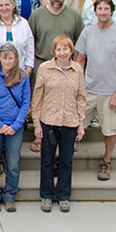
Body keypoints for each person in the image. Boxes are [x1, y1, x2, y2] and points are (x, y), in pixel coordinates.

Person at [75, 0, 116, 182]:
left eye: (106, 9)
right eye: (99, 9)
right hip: (89, 90)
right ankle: (67, 158)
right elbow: (80, 60)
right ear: (95, 11)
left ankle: (106, 161)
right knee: (74, 124)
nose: (102, 12)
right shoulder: (87, 32)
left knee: (110, 130)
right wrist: (77, 88)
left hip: (110, 92)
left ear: (112, 11)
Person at [27, 0, 85, 153]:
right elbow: (31, 41)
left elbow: (80, 42)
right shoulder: (37, 15)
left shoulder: (74, 15)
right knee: (40, 100)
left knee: (68, 100)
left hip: (67, 65)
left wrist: (77, 64)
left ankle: (70, 136)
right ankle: (39, 134)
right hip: (42, 62)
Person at [31, 35, 86, 213]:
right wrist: (37, 123)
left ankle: (63, 195)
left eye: (66, 49)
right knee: (47, 160)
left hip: (70, 121)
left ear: (71, 50)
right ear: (54, 51)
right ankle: (46, 195)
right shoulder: (45, 68)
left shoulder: (77, 70)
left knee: (66, 161)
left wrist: (81, 123)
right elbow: (37, 97)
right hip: (49, 121)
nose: (63, 53)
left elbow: (81, 97)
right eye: (59, 49)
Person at [0, 45, 30, 213]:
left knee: (13, 163)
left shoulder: (23, 77)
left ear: (16, 59)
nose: (8, 61)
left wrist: (15, 125)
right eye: (5, 58)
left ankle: (10, 196)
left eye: (11, 58)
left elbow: (25, 103)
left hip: (15, 127)